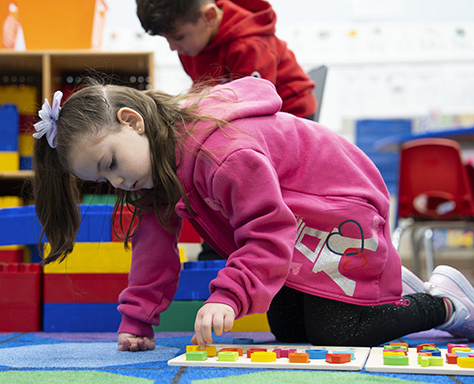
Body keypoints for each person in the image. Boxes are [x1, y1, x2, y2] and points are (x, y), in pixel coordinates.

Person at [32, 76, 474, 352]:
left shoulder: (221, 153)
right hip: (300, 224)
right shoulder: (152, 172)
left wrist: (228, 295)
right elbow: (152, 250)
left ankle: (444, 303)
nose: (117, 183)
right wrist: (138, 320)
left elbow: (266, 231)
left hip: (342, 209)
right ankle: (384, 285)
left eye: (110, 164)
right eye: (102, 180)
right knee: (287, 326)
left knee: (339, 331)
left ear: (132, 121)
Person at [135, 0, 317, 119]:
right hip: (239, 108)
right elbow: (206, 89)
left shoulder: (249, 46)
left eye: (178, 37)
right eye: (165, 38)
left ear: (209, 16)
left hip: (291, 115)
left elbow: (256, 109)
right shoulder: (193, 43)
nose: (173, 47)